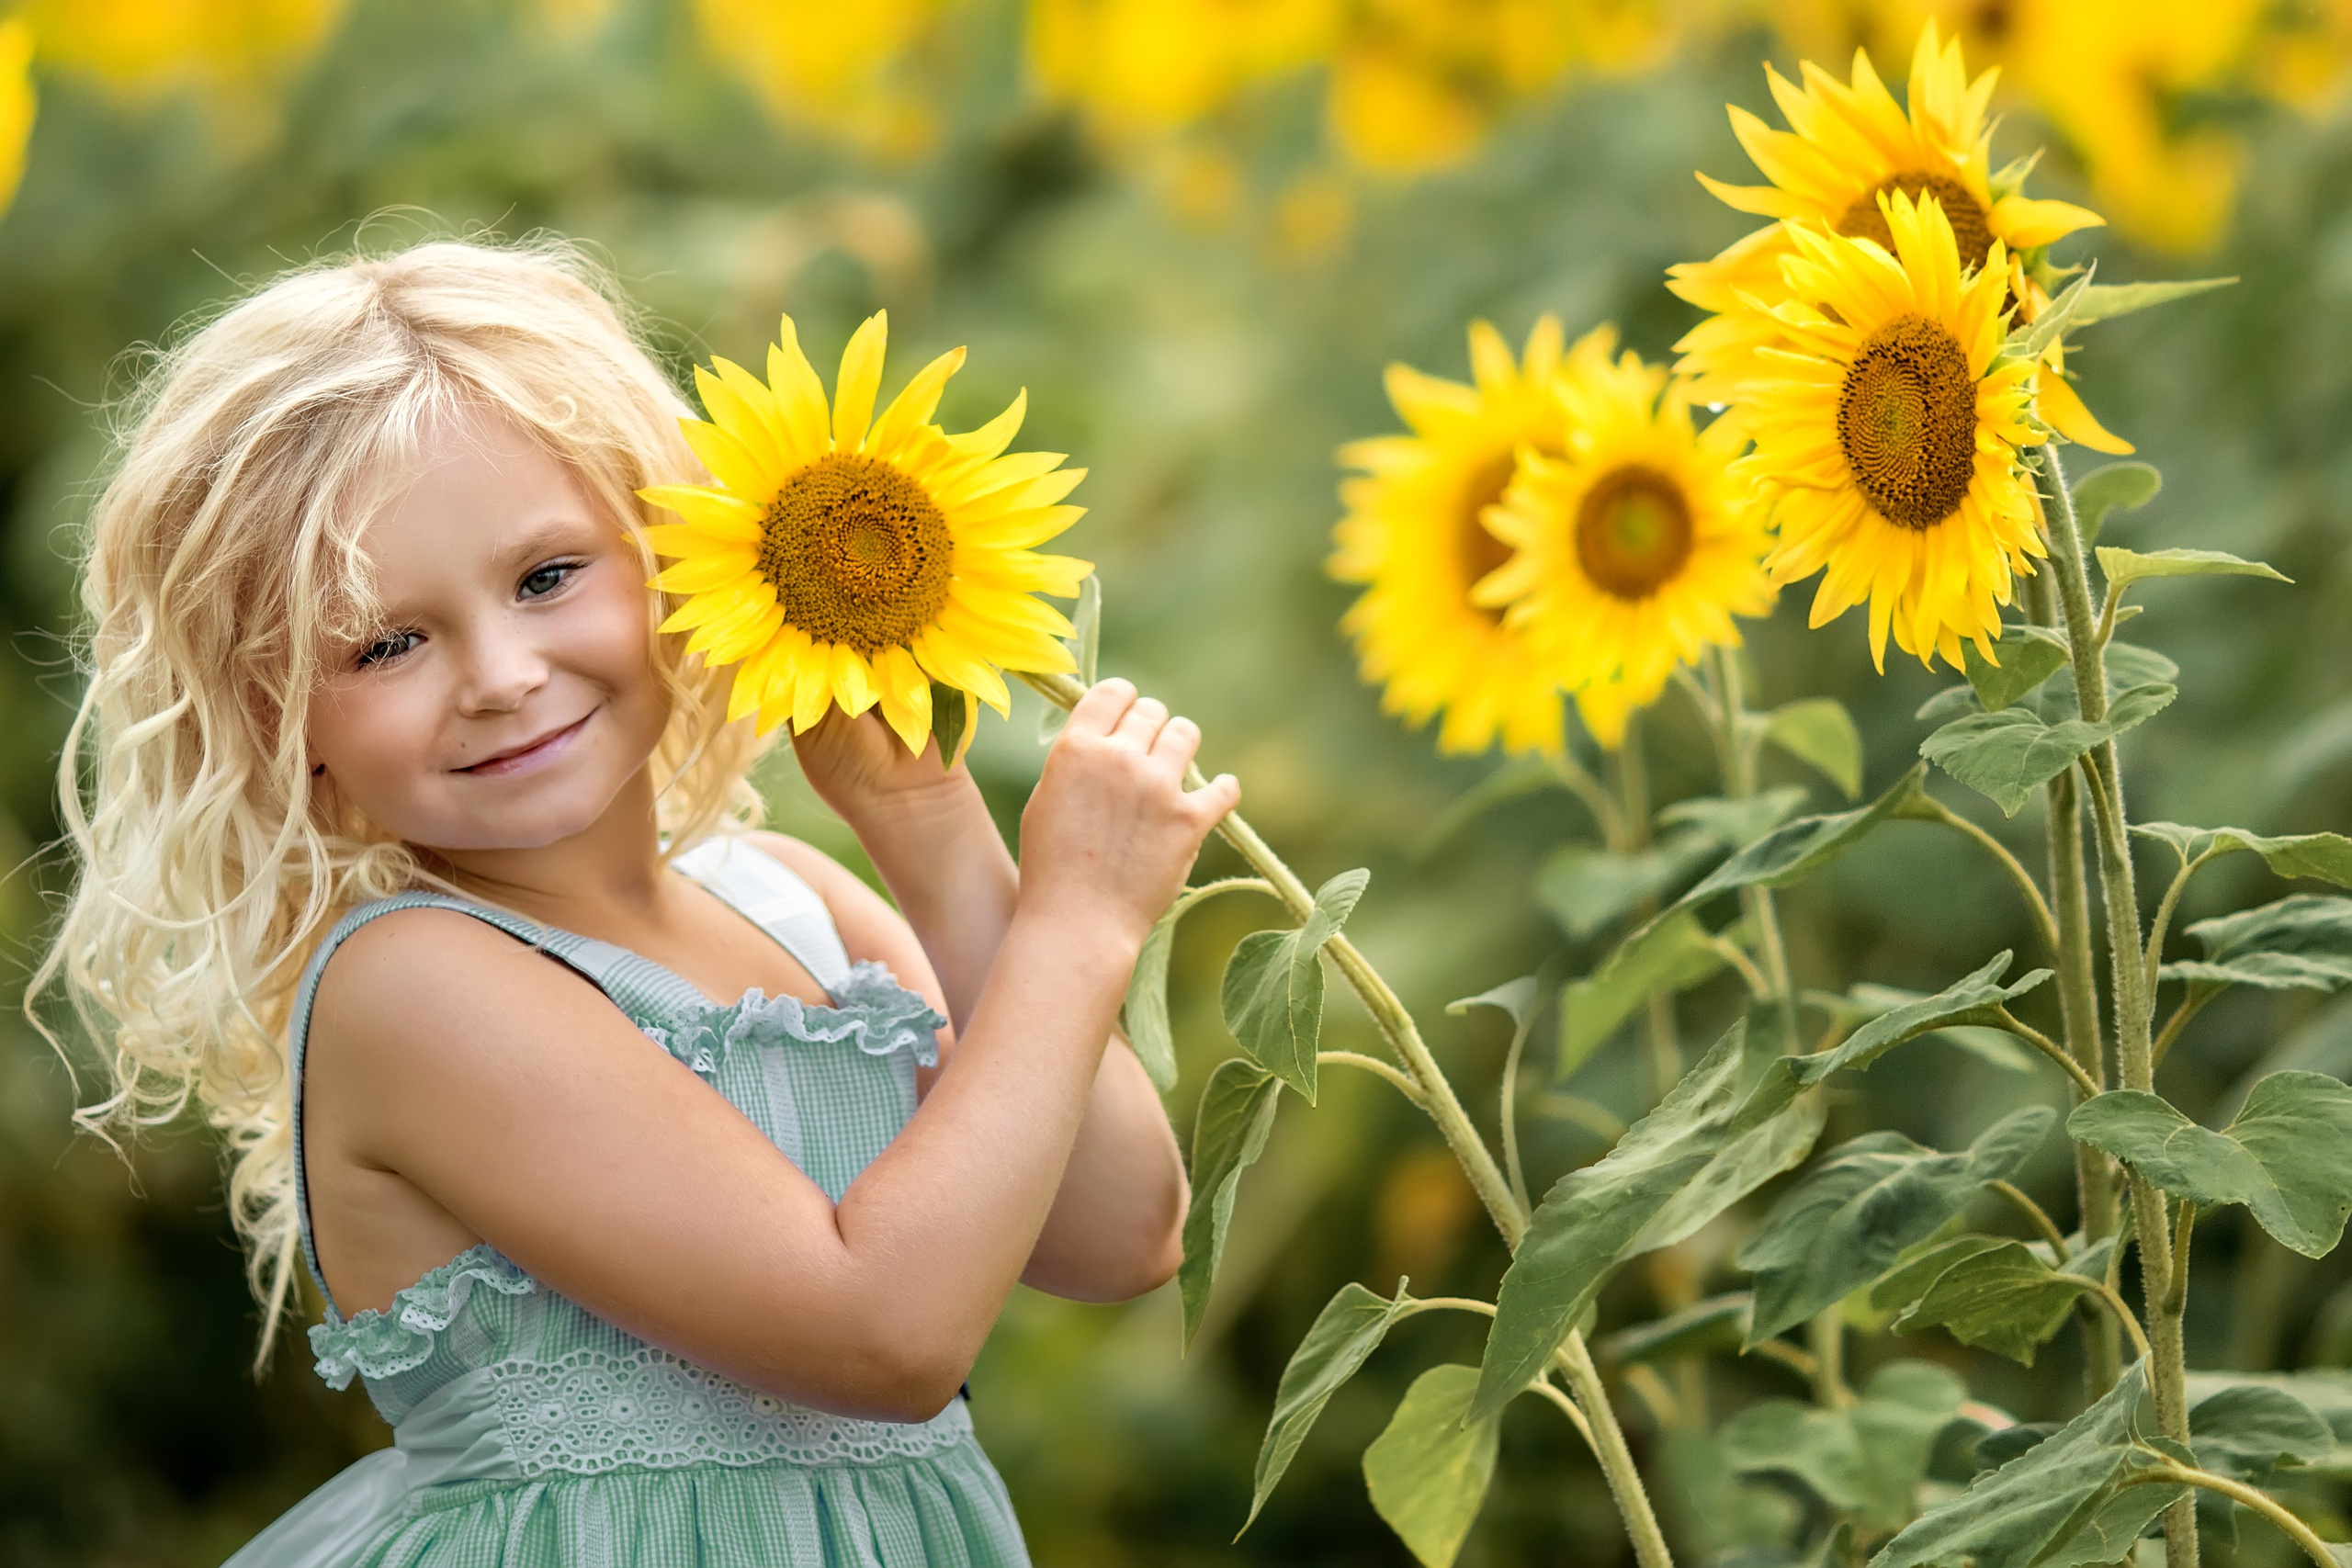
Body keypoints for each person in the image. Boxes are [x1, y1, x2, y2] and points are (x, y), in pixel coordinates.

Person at [40, 238, 1239, 1565]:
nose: (500, 675)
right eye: (385, 642)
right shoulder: (417, 985)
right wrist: (1078, 925)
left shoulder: (795, 900)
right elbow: (887, 1335)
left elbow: (1121, 1232)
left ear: (674, 555)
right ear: (280, 713)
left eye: (548, 577)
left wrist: (934, 829)